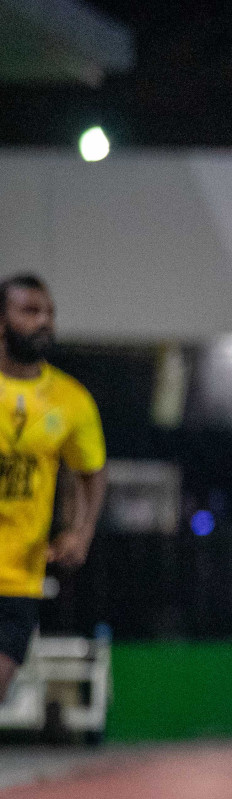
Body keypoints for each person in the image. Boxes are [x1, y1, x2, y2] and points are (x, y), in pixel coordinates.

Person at [0, 274, 107, 703]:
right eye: (29, 311)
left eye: (49, 313)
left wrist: (81, 533)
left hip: (19, 578)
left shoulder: (71, 400)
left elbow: (92, 472)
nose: (44, 322)